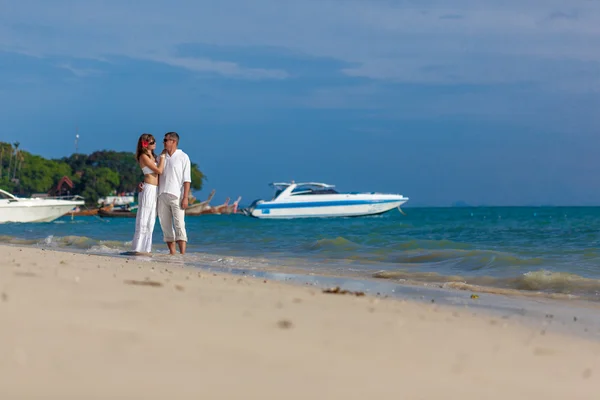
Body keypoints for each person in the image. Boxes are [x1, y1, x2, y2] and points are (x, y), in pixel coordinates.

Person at [157, 131, 191, 255]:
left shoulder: (183, 157)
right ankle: (172, 252)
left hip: (177, 196)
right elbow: (154, 173)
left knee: (179, 225)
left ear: (173, 141)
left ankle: (182, 254)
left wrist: (185, 197)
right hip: (161, 195)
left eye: (166, 140)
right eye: (164, 140)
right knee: (165, 225)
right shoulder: (161, 157)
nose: (163, 142)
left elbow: (187, 180)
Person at [131, 133, 166, 254]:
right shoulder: (143, 156)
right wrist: (162, 158)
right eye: (151, 142)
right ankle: (138, 247)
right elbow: (159, 170)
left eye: (154, 141)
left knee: (151, 218)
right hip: (148, 188)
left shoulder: (153, 156)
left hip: (154, 188)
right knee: (144, 217)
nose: (155, 143)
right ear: (145, 144)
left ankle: (146, 248)